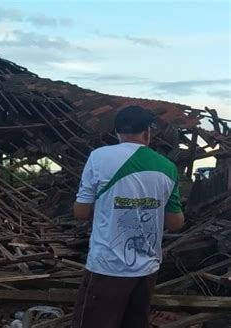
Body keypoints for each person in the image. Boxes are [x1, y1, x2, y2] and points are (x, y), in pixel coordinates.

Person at [72, 105, 185, 328]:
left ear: (116, 132)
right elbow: (176, 223)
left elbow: (81, 213)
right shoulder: (167, 167)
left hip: (106, 267)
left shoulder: (99, 158)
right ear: (148, 132)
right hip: (147, 271)